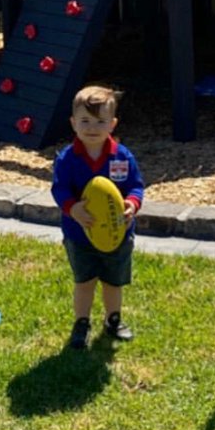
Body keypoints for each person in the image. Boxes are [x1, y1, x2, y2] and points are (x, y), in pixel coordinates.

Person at [51, 85, 145, 351]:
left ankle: (113, 320)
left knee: (113, 282)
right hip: (80, 234)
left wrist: (131, 204)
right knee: (84, 282)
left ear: (113, 124)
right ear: (73, 123)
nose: (92, 128)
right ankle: (81, 323)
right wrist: (72, 208)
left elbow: (136, 186)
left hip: (117, 233)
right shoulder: (67, 159)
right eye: (85, 121)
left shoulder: (122, 157)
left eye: (100, 121)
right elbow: (59, 189)